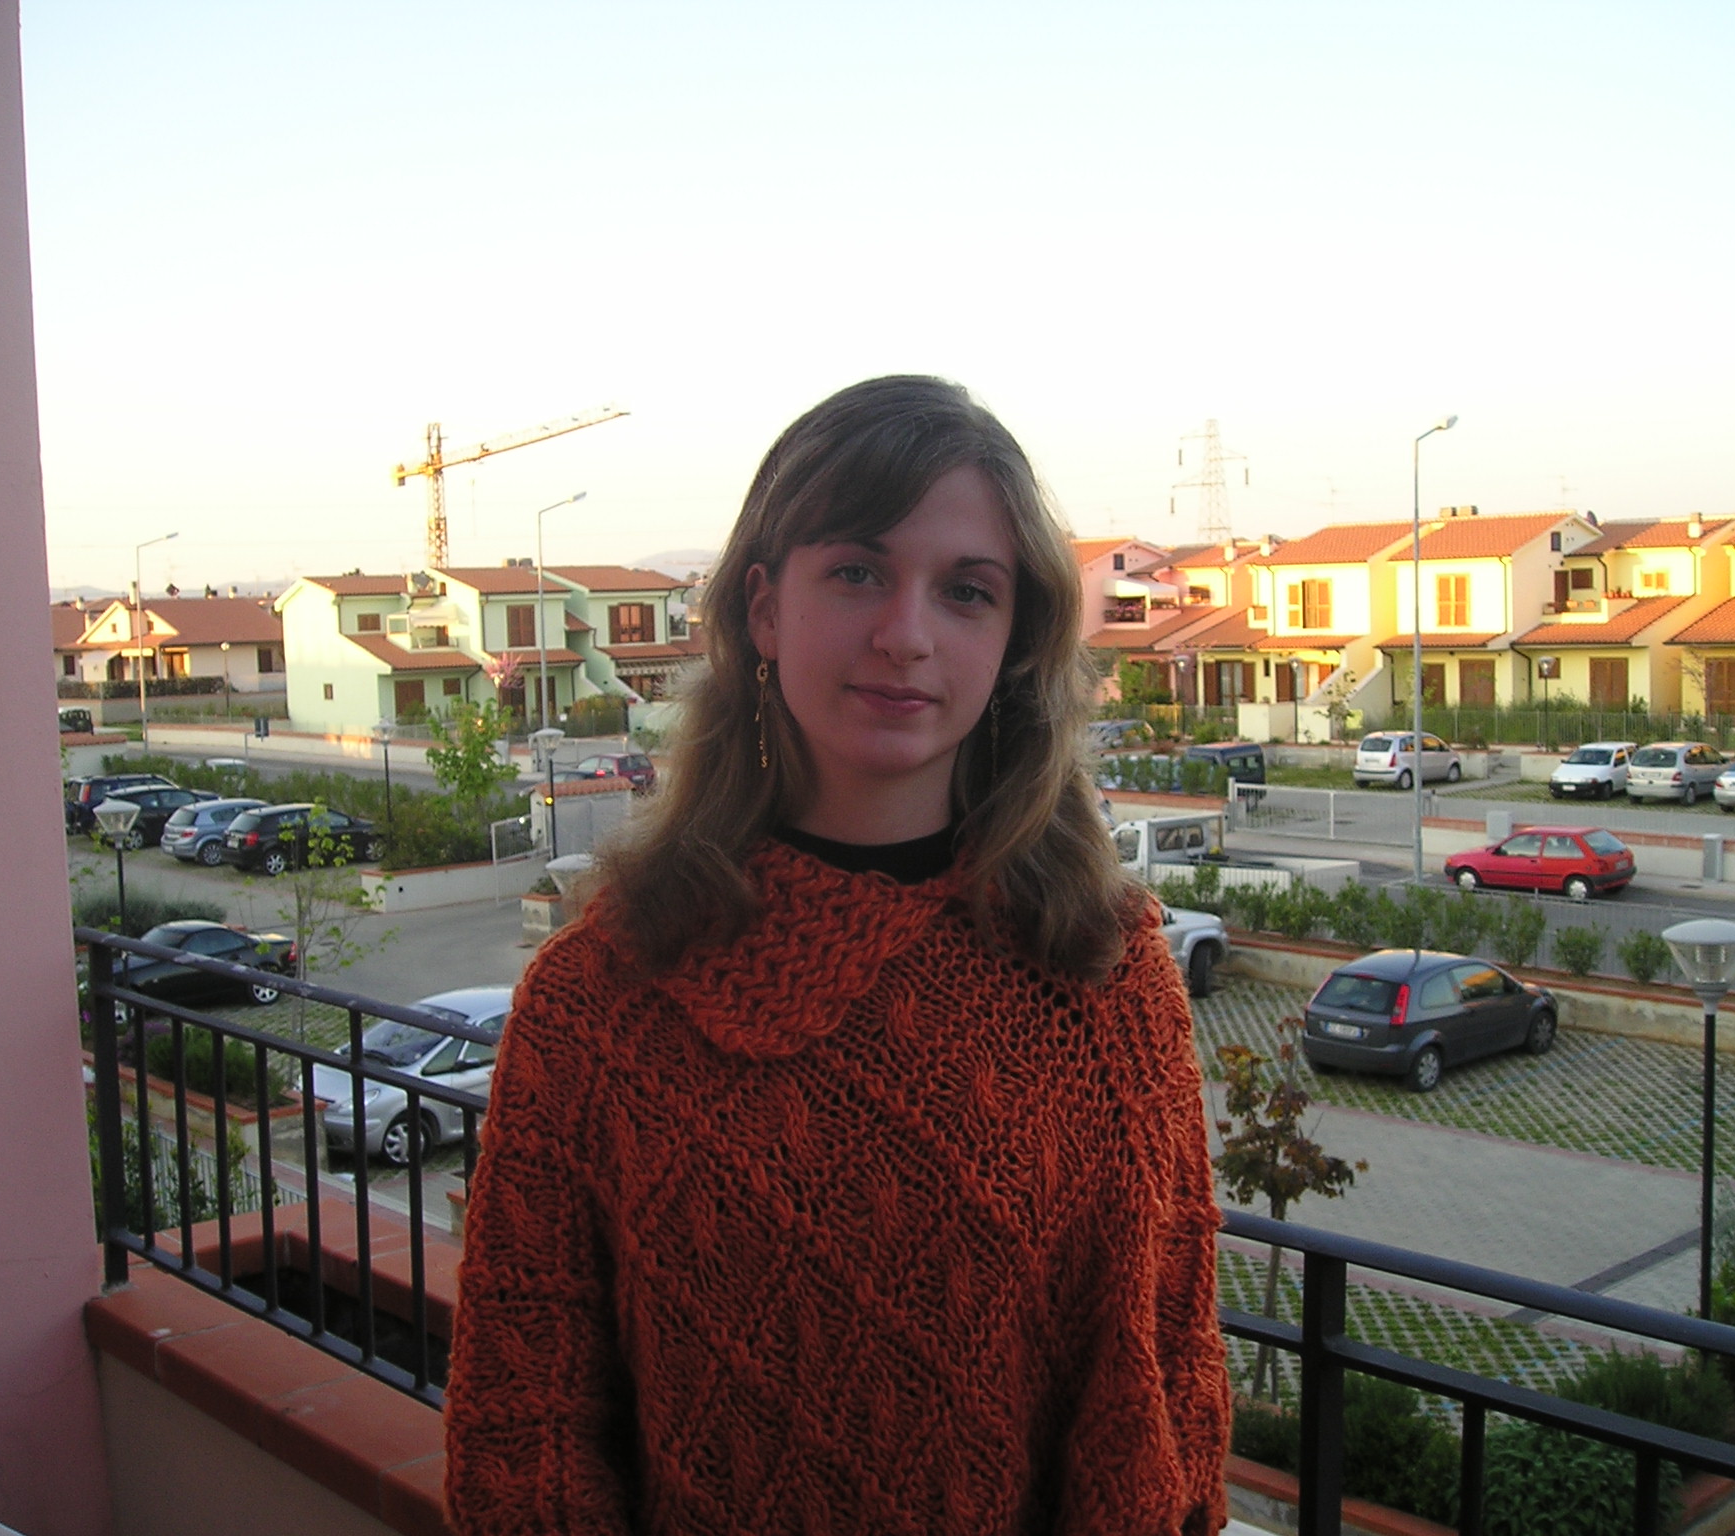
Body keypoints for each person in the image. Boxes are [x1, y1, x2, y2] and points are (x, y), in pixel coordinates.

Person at [444, 376, 1229, 1534]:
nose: (905, 634)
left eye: (966, 591)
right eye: (858, 571)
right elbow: (526, 1446)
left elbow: (1163, 1400)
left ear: (1011, 642)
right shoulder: (595, 1001)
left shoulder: (1102, 978)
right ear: (763, 610)